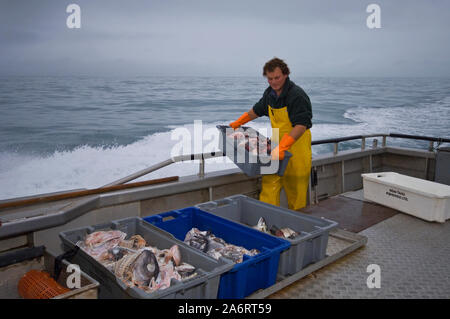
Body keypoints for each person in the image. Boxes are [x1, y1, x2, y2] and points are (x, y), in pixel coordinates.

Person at [229, 57, 312, 210]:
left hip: (297, 149)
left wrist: (284, 147)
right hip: (274, 148)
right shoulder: (270, 94)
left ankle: (297, 225)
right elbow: (257, 110)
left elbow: (301, 125)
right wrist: (239, 122)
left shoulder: (297, 95)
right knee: (269, 185)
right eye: (270, 79)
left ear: (286, 74)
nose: (274, 82)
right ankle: (266, 224)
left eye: (277, 77)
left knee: (296, 190)